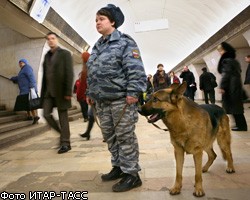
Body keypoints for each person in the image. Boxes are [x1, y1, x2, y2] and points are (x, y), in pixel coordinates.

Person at [86, 4, 147, 192]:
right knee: (110, 136)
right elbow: (92, 72)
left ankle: (132, 174)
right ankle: (119, 167)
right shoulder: (97, 46)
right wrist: (90, 93)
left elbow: (135, 70)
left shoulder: (125, 42)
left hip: (121, 100)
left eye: (101, 19)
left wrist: (132, 93)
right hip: (102, 101)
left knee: (124, 136)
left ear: (113, 21)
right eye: (96, 19)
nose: (97, 22)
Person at [40, 32, 74, 154]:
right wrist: (43, 93)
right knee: (46, 114)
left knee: (63, 116)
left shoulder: (65, 54)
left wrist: (68, 91)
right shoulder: (46, 56)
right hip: (48, 92)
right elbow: (45, 76)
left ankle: (66, 143)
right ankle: (62, 134)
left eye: (53, 38)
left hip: (61, 92)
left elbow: (69, 73)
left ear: (57, 40)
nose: (51, 41)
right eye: (48, 39)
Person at [217, 42, 247, 131]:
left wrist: (222, 86)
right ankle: (242, 125)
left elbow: (226, 74)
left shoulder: (227, 61)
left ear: (225, 51)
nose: (220, 53)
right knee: (237, 108)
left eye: (221, 51)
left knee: (234, 108)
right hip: (236, 86)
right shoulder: (234, 61)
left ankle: (241, 126)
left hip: (231, 88)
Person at [10, 59, 40, 124]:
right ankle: (29, 116)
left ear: (25, 63)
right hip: (23, 90)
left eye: (22, 63)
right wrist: (13, 78)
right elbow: (20, 78)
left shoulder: (27, 68)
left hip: (28, 90)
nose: (20, 64)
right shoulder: (22, 70)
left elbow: (31, 78)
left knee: (31, 104)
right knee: (26, 104)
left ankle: (35, 116)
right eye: (19, 63)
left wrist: (32, 87)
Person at [79, 52, 95, 140]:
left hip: (96, 95)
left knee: (100, 116)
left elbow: (90, 83)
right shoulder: (86, 69)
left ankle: (107, 135)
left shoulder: (90, 68)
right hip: (92, 95)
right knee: (91, 115)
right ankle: (88, 133)